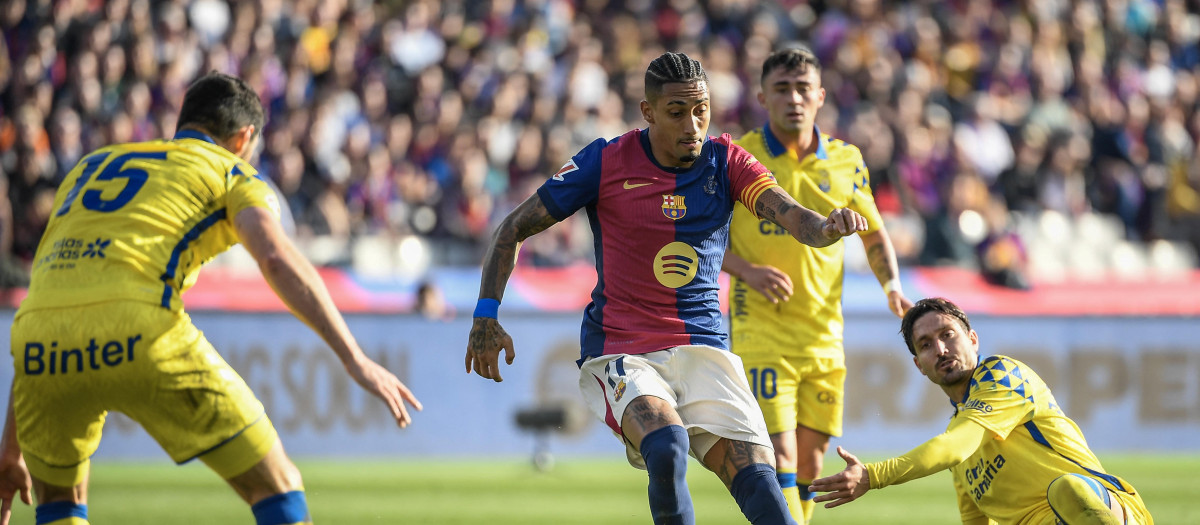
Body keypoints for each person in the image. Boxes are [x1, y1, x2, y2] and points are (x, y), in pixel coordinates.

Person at [464, 51, 868, 525]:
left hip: (704, 349)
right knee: (668, 445)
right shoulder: (606, 161)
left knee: (763, 489)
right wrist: (485, 314)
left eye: (702, 110)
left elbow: (794, 218)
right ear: (648, 112)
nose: (693, 125)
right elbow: (512, 227)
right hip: (623, 347)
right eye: (677, 113)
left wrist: (826, 228)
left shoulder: (728, 161)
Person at [0, 72, 422, 525]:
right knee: (277, 486)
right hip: (141, 330)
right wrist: (354, 357)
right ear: (244, 138)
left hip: (38, 345)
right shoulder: (231, 171)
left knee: (60, 505)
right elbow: (276, 257)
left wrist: (10, 448)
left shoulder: (88, 167)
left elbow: (52, 290)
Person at [722, 46, 912, 525]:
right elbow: (698, 237)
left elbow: (873, 230)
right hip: (760, 329)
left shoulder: (847, 160)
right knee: (780, 455)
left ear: (821, 95)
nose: (794, 98)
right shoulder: (737, 157)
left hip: (824, 334)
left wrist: (892, 285)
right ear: (762, 96)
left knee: (810, 462)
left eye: (803, 88)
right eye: (782, 89)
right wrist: (746, 271)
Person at [810, 297, 1154, 525]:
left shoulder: (1001, 374)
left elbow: (955, 447)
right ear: (918, 365)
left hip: (1106, 509)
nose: (941, 349)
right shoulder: (957, 448)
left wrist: (875, 475)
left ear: (973, 339)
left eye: (948, 335)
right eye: (926, 345)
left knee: (1068, 489)